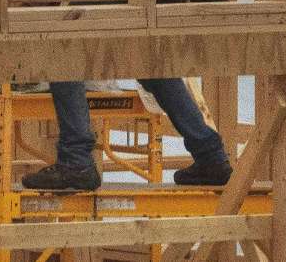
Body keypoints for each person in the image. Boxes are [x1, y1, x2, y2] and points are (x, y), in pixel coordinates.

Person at [21, 79, 233, 191]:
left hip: (111, 6)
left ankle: (76, 160)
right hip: (154, 6)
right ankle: (210, 156)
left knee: (63, 52)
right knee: (151, 59)